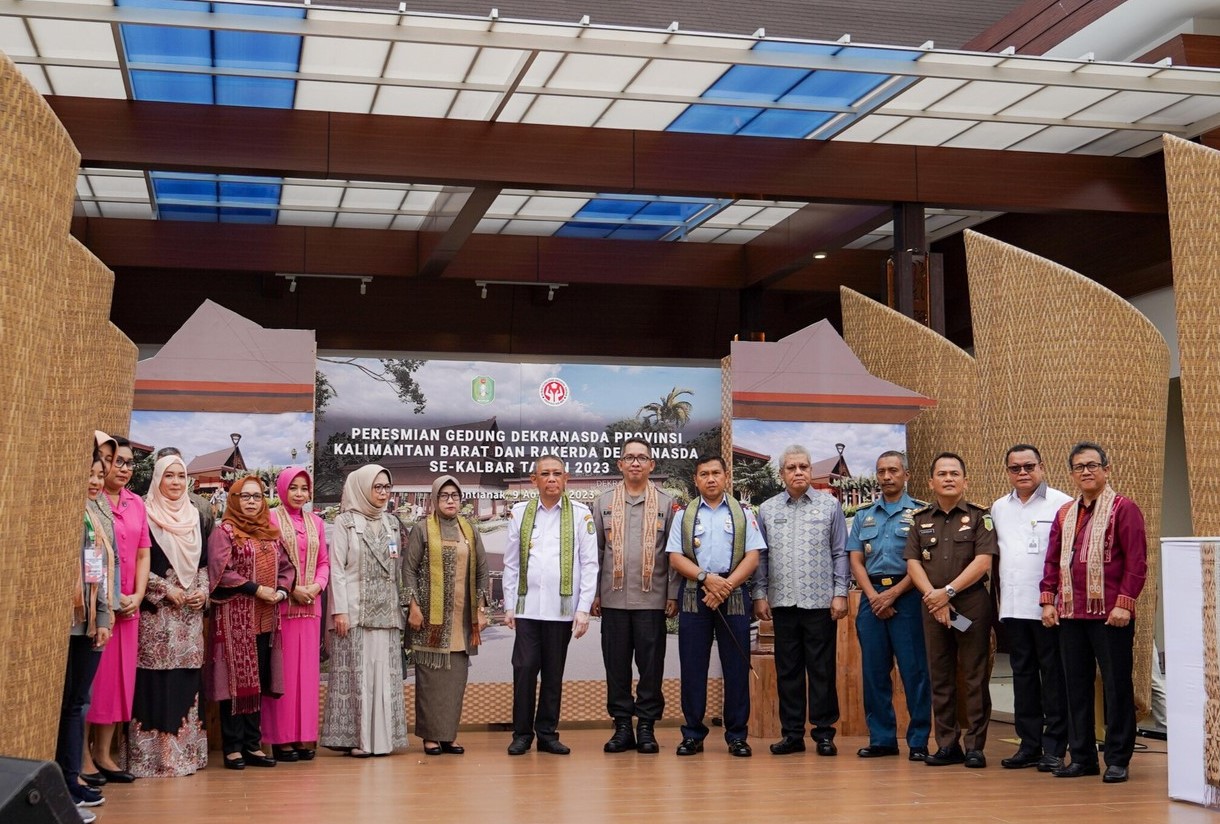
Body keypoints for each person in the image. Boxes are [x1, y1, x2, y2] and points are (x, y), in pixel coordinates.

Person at [1040, 441, 1147, 784]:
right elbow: (1053, 560)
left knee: (1116, 687)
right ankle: (1083, 757)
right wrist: (1047, 600)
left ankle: (1117, 759)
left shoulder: (1124, 509)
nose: (1085, 471)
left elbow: (1136, 562)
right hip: (1071, 613)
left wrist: (1124, 603)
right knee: (1075, 687)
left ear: (1106, 469)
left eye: (1092, 465)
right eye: (1078, 467)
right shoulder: (1064, 513)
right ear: (1072, 474)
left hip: (1111, 615)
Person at [666, 454, 764, 757]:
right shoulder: (684, 515)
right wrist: (707, 579)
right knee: (693, 667)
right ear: (696, 479)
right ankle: (693, 734)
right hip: (696, 592)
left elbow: (753, 556)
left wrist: (726, 585)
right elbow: (675, 557)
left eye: (716, 473)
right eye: (704, 474)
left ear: (725, 477)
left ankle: (737, 735)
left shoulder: (744, 513)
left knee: (736, 667)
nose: (710, 479)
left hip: (733, 593)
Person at [753, 445, 848, 757]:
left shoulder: (829, 506)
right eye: (791, 468)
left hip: (820, 602)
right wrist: (759, 593)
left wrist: (840, 592)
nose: (798, 472)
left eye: (803, 467)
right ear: (781, 474)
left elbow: (839, 552)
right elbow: (761, 557)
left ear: (810, 471)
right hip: (782, 602)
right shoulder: (767, 509)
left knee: (821, 670)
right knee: (788, 671)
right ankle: (792, 734)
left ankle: (823, 734)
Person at [904, 452, 997, 768]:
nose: (948, 478)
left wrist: (948, 593)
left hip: (970, 604)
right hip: (932, 606)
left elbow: (983, 561)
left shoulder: (980, 517)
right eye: (941, 474)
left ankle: (975, 746)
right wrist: (933, 597)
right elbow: (913, 562)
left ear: (965, 480)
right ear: (931, 482)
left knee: (974, 676)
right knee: (939, 676)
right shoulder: (919, 520)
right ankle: (947, 745)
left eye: (954, 473)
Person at [503, 455, 599, 756]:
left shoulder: (581, 514)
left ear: (566, 478)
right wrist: (508, 605)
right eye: (545, 474)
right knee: (525, 668)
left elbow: (589, 563)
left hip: (562, 609)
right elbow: (510, 563)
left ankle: (547, 734)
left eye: (557, 473)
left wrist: (583, 609)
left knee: (553, 673)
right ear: (534, 480)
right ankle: (522, 734)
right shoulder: (520, 514)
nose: (552, 479)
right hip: (528, 607)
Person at [590, 438, 678, 754]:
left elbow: (674, 554)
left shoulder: (667, 504)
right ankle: (623, 726)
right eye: (630, 457)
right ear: (620, 464)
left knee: (651, 667)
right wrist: (593, 595)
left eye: (642, 458)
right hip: (612, 600)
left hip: (652, 601)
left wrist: (672, 594)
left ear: (652, 465)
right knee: (616, 667)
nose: (636, 463)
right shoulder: (602, 503)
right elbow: (596, 552)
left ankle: (646, 727)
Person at [127, 454, 211, 777]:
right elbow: (135, 562)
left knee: (184, 684)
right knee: (154, 684)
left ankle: (185, 756)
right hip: (157, 616)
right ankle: (152, 759)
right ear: (157, 479)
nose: (176, 483)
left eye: (180, 476)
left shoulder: (196, 518)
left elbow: (203, 565)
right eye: (169, 476)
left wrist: (202, 591)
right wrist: (164, 590)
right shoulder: (145, 514)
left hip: (188, 620)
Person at [991, 444, 1072, 772]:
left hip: (1048, 608)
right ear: (1007, 471)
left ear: (1042, 466)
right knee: (1022, 677)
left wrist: (1053, 600)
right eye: (1015, 468)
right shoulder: (998, 507)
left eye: (1028, 466)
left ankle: (1055, 747)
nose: (1022, 473)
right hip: (1012, 607)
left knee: (1053, 677)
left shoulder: (1062, 503)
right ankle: (1029, 745)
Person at [846, 450, 932, 761]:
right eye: (881, 471)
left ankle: (919, 740)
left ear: (906, 475)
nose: (886, 476)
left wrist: (893, 595)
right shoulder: (863, 515)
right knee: (874, 672)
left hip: (908, 597)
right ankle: (881, 738)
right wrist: (873, 596)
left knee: (914, 672)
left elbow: (923, 562)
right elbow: (855, 559)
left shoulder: (922, 514)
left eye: (893, 470)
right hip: (872, 599)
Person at [320, 464, 409, 757]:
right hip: (355, 612)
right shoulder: (345, 522)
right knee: (359, 676)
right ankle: (358, 739)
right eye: (377, 487)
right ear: (361, 488)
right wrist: (340, 611)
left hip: (386, 610)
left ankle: (382, 740)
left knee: (383, 675)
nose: (383, 493)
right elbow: (337, 570)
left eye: (387, 487)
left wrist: (402, 607)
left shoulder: (392, 524)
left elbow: (395, 567)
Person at [206, 475, 294, 770]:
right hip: (234, 617)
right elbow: (220, 571)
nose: (252, 502)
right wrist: (254, 589)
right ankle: (232, 746)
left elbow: (286, 567)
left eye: (257, 497)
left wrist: (281, 591)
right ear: (234, 499)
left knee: (257, 679)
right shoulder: (225, 532)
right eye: (246, 497)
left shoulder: (270, 532)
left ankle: (253, 744)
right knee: (235, 679)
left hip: (266, 617)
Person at [404, 476, 489, 755]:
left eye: (455, 495)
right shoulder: (422, 529)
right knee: (430, 681)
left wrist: (480, 608)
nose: (451, 500)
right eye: (444, 496)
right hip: (430, 620)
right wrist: (413, 606)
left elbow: (482, 572)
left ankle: (448, 735)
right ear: (434, 500)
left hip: (462, 622)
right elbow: (408, 570)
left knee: (455, 681)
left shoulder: (469, 530)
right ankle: (430, 737)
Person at [86, 436, 150, 784]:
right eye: (116, 461)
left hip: (129, 607)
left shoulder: (135, 503)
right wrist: (108, 603)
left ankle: (104, 754)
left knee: (118, 684)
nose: (123, 469)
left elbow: (143, 552)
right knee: (93, 682)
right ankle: (82, 756)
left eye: (128, 463)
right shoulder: (91, 502)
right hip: (99, 610)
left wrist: (138, 595)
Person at [57, 449, 113, 814]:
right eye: (88, 474)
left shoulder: (94, 516)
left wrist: (104, 618)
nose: (95, 481)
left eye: (98, 473)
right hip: (62, 625)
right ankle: (63, 783)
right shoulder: (61, 514)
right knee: (63, 706)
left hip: (88, 624)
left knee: (76, 704)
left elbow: (98, 572)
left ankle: (70, 779)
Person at [262, 467, 330, 762]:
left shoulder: (316, 522)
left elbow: (325, 562)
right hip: (283, 608)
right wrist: (291, 591)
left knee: (307, 677)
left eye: (304, 488)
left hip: (310, 608)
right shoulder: (271, 519)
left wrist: (316, 586)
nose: (299, 493)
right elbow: (266, 562)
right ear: (282, 489)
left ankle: (304, 737)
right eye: (294, 488)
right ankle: (280, 739)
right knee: (284, 675)